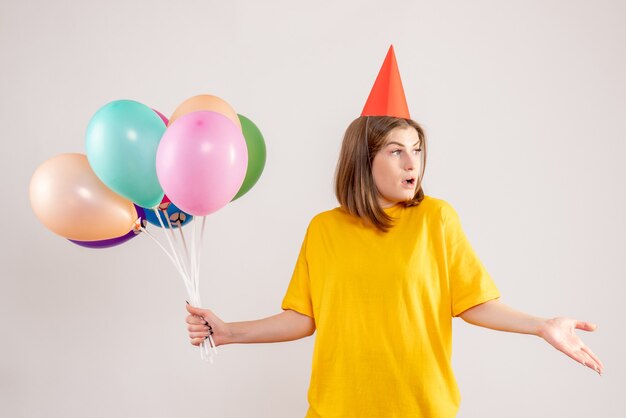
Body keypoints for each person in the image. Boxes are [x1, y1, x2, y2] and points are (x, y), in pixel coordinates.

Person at [184, 46, 604, 417]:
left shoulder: (436, 220)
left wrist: (541, 325)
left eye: (417, 150)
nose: (412, 163)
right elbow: (303, 317)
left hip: (421, 410)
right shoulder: (324, 229)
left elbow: (474, 303)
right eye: (396, 151)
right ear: (363, 160)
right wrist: (230, 332)